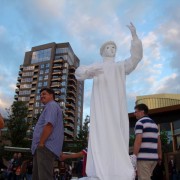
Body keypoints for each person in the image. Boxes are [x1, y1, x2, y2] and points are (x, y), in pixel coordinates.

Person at [75, 22, 143, 180]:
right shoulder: (97, 65)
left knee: (116, 134)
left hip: (115, 107)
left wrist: (134, 37)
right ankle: (99, 168)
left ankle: (116, 169)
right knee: (100, 134)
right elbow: (79, 73)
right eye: (108, 47)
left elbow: (135, 58)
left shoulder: (120, 66)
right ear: (102, 51)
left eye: (114, 48)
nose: (111, 50)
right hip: (100, 107)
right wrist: (89, 71)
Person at [31, 87, 64, 180]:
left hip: (45, 147)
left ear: (51, 95)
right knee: (38, 177)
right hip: (43, 147)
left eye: (44, 94)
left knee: (43, 177)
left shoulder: (51, 105)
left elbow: (49, 124)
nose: (41, 96)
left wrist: (41, 143)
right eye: (40, 95)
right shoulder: (51, 107)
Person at [133, 103, 162, 180]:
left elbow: (138, 140)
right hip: (154, 159)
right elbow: (158, 141)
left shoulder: (140, 123)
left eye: (136, 111)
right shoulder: (154, 124)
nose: (134, 113)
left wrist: (134, 156)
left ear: (142, 112)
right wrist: (160, 154)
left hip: (143, 158)